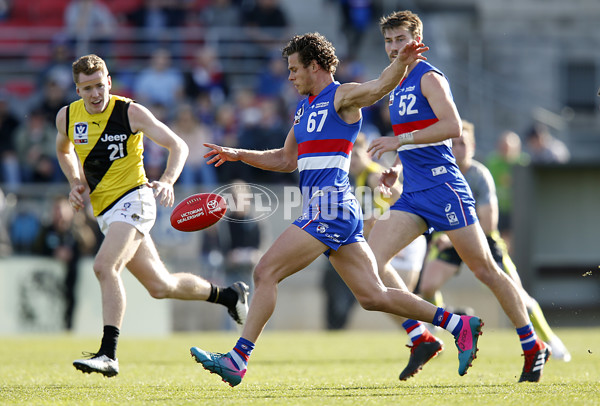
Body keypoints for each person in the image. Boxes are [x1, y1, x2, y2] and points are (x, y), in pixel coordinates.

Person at [189, 32, 483, 388]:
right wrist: (239, 154)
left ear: (315, 67)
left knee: (265, 271)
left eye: (295, 68)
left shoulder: (341, 96)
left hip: (330, 208)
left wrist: (402, 61)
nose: (290, 76)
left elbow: (379, 86)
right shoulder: (303, 108)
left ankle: (237, 360)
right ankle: (457, 325)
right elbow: (285, 159)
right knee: (373, 296)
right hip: (330, 210)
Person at [366, 10, 551, 383]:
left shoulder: (429, 77)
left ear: (416, 40)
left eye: (400, 39)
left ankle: (533, 345)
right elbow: (419, 140)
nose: (393, 47)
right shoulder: (397, 84)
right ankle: (423, 336)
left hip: (444, 187)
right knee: (370, 263)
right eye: (388, 41)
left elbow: (451, 128)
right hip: (414, 191)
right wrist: (397, 169)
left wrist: (398, 141)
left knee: (486, 270)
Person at [55, 54, 250, 377]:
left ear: (109, 83)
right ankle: (230, 295)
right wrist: (75, 181)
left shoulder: (129, 112)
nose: (95, 94)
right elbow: (64, 150)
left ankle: (108, 353)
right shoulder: (66, 117)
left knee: (104, 266)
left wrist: (169, 181)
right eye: (87, 88)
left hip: (135, 200)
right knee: (161, 286)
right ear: (77, 90)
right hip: (106, 211)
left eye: (100, 85)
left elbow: (179, 146)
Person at [419, 119, 571, 362]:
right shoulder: (442, 175)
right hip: (452, 241)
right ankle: (442, 326)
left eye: (463, 143)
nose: (459, 148)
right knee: (427, 285)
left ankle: (550, 340)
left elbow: (489, 225)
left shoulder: (480, 175)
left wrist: (452, 236)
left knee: (519, 295)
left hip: (484, 242)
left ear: (473, 146)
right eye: (454, 144)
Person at [34, 196, 98, 330]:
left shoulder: (77, 229)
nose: (60, 214)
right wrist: (54, 253)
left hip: (73, 279)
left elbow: (88, 245)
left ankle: (69, 327)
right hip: (50, 282)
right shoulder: (47, 230)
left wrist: (72, 253)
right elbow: (37, 248)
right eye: (56, 209)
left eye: (62, 209)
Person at [485, 130, 530, 252]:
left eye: (508, 147)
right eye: (502, 147)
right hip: (498, 208)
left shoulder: (524, 163)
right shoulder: (493, 162)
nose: (505, 150)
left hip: (517, 209)